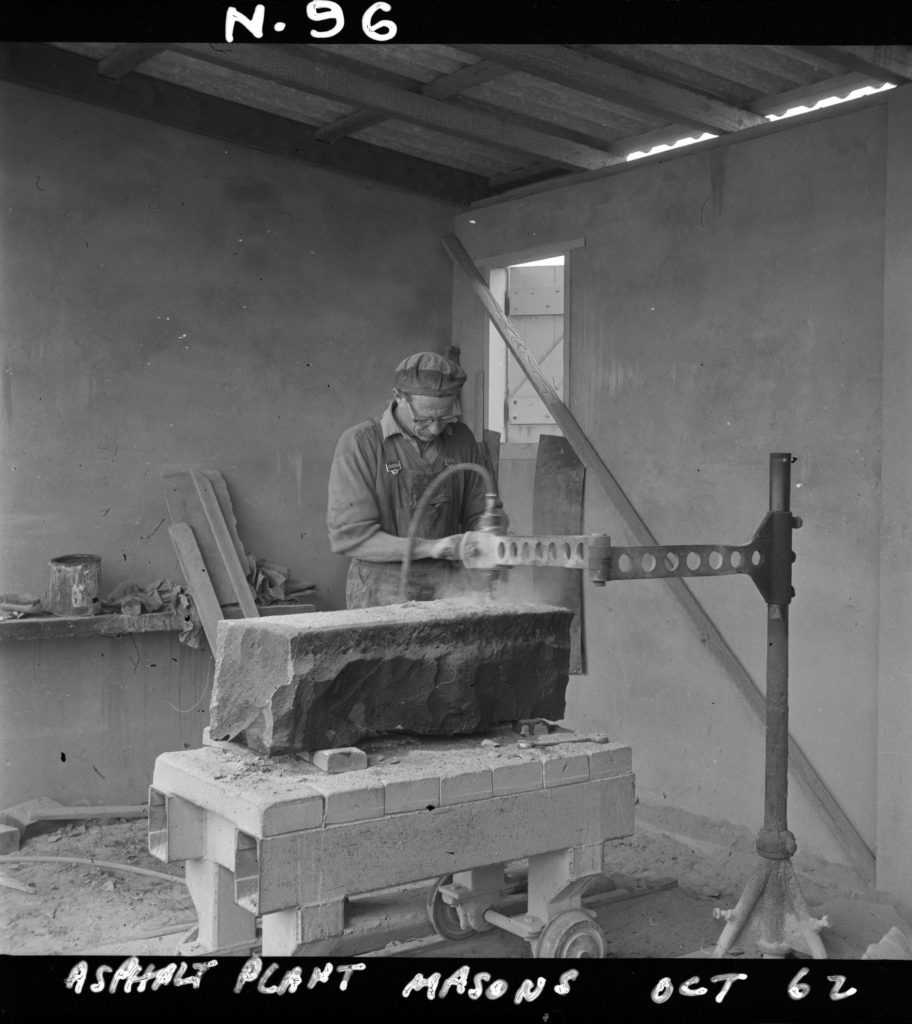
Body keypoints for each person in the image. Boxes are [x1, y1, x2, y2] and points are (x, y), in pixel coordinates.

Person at [327, 351, 504, 608]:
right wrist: (432, 548)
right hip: (380, 588)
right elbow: (352, 538)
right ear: (399, 397)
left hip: (450, 585)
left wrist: (489, 536)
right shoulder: (361, 443)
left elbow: (481, 512)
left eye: (444, 418)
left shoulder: (461, 439)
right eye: (425, 418)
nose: (435, 429)